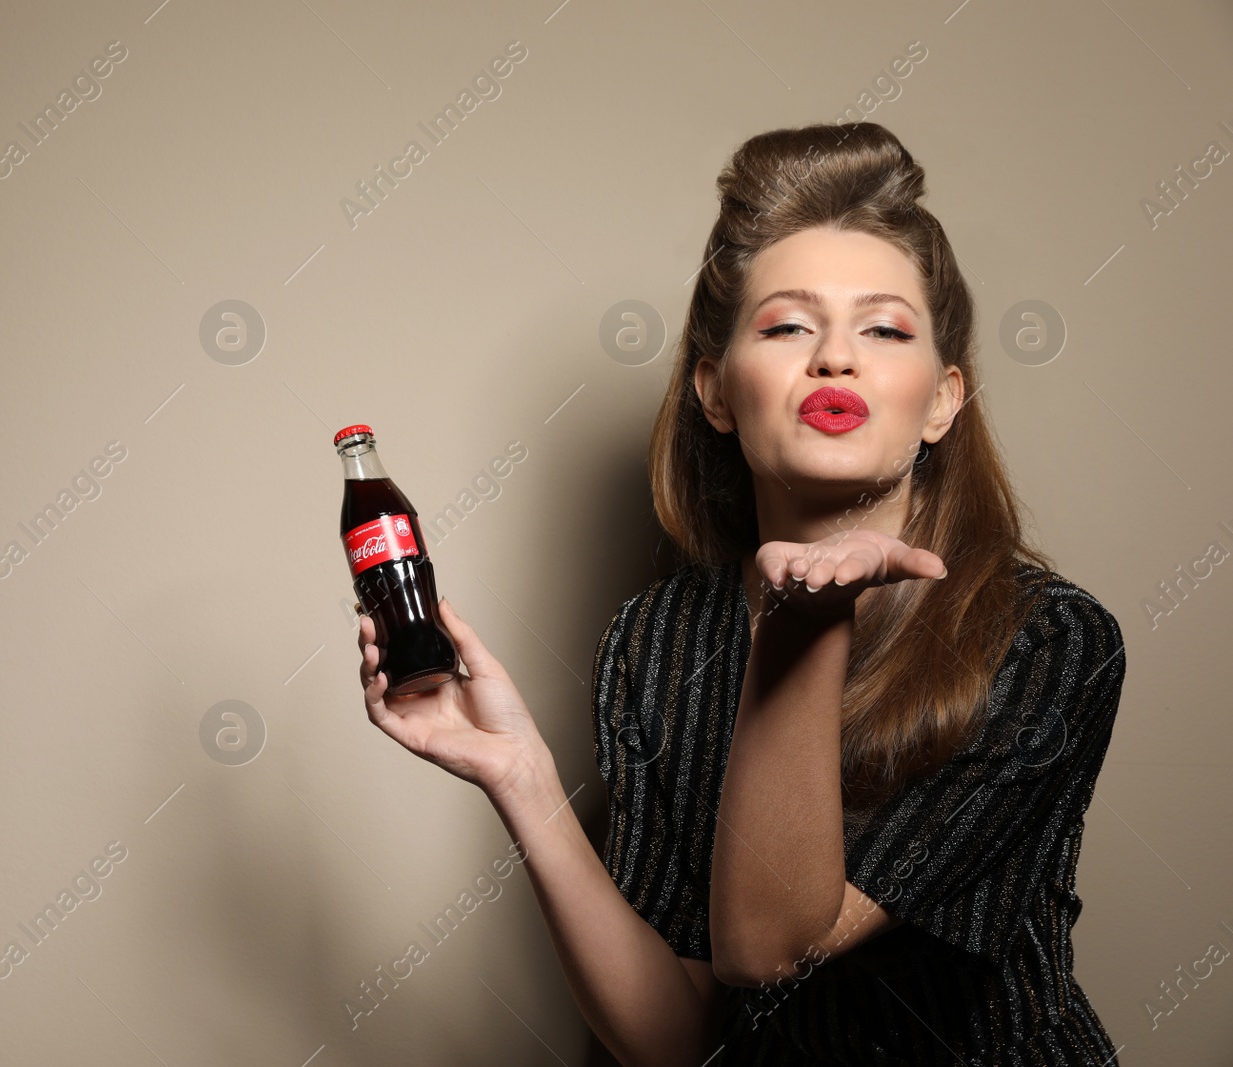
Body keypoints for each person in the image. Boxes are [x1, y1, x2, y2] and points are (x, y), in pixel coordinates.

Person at [355, 121, 1126, 1066]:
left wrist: (801, 627)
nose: (834, 359)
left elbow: (773, 947)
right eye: (788, 325)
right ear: (716, 391)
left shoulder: (1051, 639)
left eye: (884, 329)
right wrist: (524, 780)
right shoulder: (658, 640)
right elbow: (676, 1039)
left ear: (941, 399)